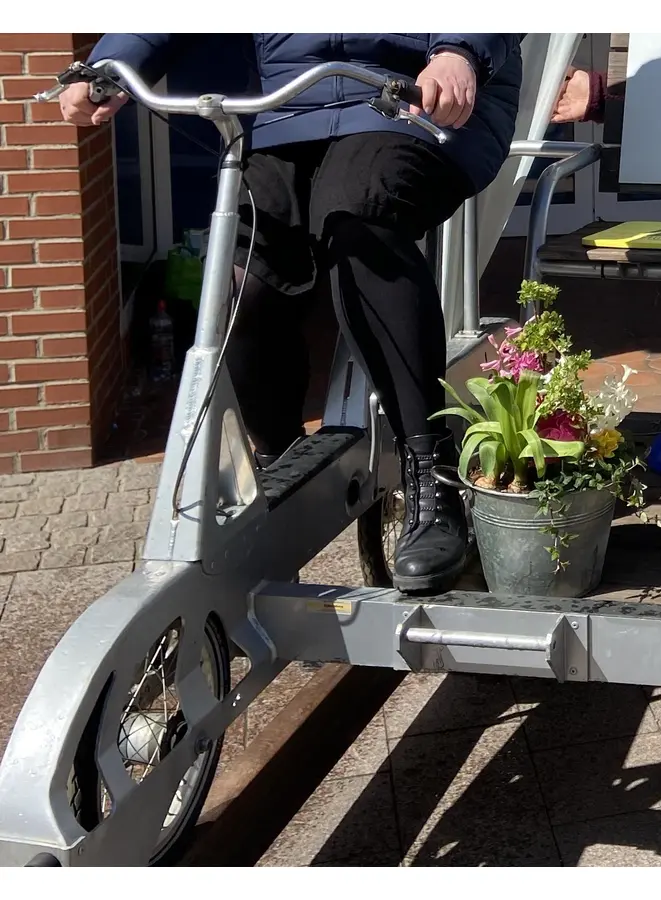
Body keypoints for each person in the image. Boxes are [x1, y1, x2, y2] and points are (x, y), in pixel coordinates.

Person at [62, 35, 600, 595]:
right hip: (293, 111)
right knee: (241, 271)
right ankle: (278, 464)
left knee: (357, 213)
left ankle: (431, 479)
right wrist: (108, 63)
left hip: (414, 97)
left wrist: (459, 50)